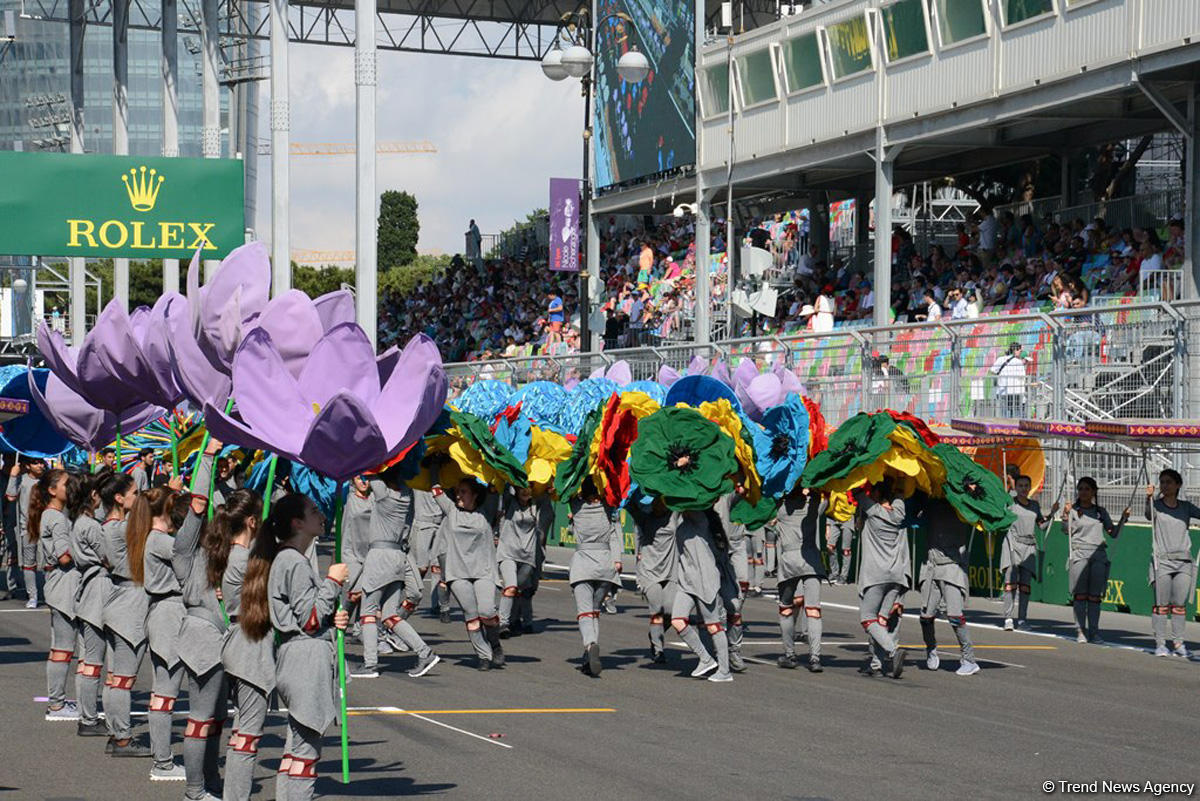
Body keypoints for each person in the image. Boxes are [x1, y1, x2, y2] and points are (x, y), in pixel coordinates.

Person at [240, 494, 348, 801]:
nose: (322, 516)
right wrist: (332, 581)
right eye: (314, 512)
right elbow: (310, 619)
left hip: (296, 654)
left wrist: (333, 618)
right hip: (304, 658)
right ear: (297, 523)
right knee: (305, 753)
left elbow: (313, 616)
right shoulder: (293, 561)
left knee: (295, 749)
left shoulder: (288, 559)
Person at [128, 469, 211, 781]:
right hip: (171, 614)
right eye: (175, 502)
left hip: (164, 614)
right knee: (166, 692)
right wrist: (196, 514)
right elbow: (185, 548)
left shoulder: (152, 536)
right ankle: (162, 762)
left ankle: (162, 759)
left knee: (164, 692)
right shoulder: (160, 540)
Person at [174, 443, 231, 801]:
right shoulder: (186, 550)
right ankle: (195, 790)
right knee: (200, 717)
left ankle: (210, 781)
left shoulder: (220, 554)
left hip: (223, 639)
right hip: (201, 637)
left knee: (216, 718)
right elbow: (200, 502)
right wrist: (207, 457)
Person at [352, 467, 439, 678]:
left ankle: (370, 664)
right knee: (390, 615)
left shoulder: (383, 494)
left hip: (380, 556)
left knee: (368, 613)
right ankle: (424, 652)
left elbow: (368, 470)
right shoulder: (407, 496)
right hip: (398, 557)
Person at [217, 489, 270, 801]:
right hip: (249, 646)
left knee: (243, 730)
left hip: (241, 641)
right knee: (247, 734)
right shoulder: (244, 559)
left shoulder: (235, 555)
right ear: (252, 521)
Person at [98, 472, 152, 757]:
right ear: (118, 499)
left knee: (114, 677)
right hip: (129, 605)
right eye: (134, 493)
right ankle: (122, 737)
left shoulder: (111, 525)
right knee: (123, 679)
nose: (139, 497)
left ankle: (115, 731)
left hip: (118, 603)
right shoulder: (119, 529)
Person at [432, 476, 504, 670]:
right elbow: (436, 488)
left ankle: (495, 643)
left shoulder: (486, 511)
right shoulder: (451, 510)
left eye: (463, 491)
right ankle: (483, 656)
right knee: (471, 615)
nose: (458, 495)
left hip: (483, 571)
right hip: (458, 573)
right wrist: (435, 464)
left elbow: (495, 484)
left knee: (487, 612)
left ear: (475, 494)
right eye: (457, 491)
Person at [31, 468, 79, 720]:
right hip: (63, 585)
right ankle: (58, 705)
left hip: (59, 585)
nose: (69, 488)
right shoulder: (56, 518)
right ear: (52, 491)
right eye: (65, 484)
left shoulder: (55, 515)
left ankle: (58, 701)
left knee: (61, 646)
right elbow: (64, 556)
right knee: (63, 647)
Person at [852, 480, 908, 679]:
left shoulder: (873, 511)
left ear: (876, 493)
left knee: (867, 618)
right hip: (895, 576)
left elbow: (856, 491)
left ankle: (893, 650)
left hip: (876, 575)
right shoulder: (899, 511)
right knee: (881, 621)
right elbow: (901, 491)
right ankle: (876, 664)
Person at [1061, 477, 1129, 644]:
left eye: (1087, 489)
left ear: (1093, 492)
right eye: (1081, 488)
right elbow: (1065, 531)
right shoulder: (1073, 510)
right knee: (1080, 595)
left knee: (1094, 596)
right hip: (1079, 554)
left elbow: (1112, 533)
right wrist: (1065, 515)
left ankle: (1094, 631)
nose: (1083, 492)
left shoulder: (1100, 512)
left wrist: (1123, 519)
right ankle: (1080, 630)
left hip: (1098, 555)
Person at [67, 473, 110, 737]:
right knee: (93, 661)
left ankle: (88, 715)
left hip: (87, 588)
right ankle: (89, 718)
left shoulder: (80, 522)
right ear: (93, 496)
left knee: (87, 661)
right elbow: (109, 558)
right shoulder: (90, 526)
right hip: (96, 588)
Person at [670, 507, 733, 683]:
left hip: (705, 580)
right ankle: (705, 659)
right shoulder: (683, 523)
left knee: (713, 626)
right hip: (686, 582)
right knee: (677, 620)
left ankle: (725, 670)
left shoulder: (701, 520)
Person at [917, 498, 979, 676]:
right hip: (931, 567)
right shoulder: (929, 503)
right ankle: (931, 649)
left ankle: (969, 659)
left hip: (952, 567)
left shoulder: (962, 505)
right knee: (925, 616)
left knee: (955, 615)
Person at [567, 479, 622, 677]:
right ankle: (589, 656)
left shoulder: (576, 506)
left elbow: (565, 486)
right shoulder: (608, 508)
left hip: (583, 564)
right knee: (595, 611)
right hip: (605, 566)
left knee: (584, 613)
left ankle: (591, 646)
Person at [1144, 469, 1200, 658]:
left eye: (1168, 482)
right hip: (1163, 561)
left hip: (1183, 561)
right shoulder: (1156, 505)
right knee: (1161, 604)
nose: (1165, 485)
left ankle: (1178, 642)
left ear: (1177, 485)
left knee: (1179, 605)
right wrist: (1148, 498)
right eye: (1162, 482)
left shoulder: (1186, 507)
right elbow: (1148, 515)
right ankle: (1160, 643)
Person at [772, 487, 826, 672]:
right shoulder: (814, 506)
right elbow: (825, 494)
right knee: (813, 610)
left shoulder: (780, 508)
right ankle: (815, 657)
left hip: (789, 562)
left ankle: (790, 655)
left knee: (786, 608)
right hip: (811, 560)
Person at [496, 486, 554, 637]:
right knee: (511, 587)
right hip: (508, 553)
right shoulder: (510, 502)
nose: (525, 491)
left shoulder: (536, 505)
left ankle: (516, 620)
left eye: (529, 488)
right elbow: (506, 483)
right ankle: (503, 624)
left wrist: (549, 486)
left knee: (520, 589)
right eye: (521, 488)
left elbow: (548, 493)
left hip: (528, 557)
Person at [1002, 475, 1057, 631]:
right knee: (1010, 583)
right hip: (1012, 544)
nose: (1024, 489)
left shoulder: (1034, 505)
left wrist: (1052, 514)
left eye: (1026, 485)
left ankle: (1022, 620)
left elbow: (1041, 525)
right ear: (1016, 487)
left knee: (1025, 585)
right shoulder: (1010, 503)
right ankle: (1008, 618)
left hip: (1029, 547)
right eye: (1020, 485)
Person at [630, 496, 676, 663]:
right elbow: (630, 506)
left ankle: (656, 632)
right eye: (655, 502)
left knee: (671, 612)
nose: (658, 506)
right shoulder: (644, 518)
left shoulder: (674, 516)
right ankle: (658, 649)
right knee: (656, 611)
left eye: (661, 502)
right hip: (649, 573)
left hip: (671, 573)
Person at [8, 457, 46, 607]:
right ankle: (33, 596)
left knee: (49, 563)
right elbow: (11, 496)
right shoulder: (21, 480)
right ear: (27, 466)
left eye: (42, 462)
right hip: (27, 528)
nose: (40, 465)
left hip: (46, 527)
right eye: (36, 462)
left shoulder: (48, 480)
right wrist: (13, 475)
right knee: (29, 564)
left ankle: (50, 594)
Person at [825, 491, 856, 585]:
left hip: (848, 518)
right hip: (834, 518)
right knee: (830, 546)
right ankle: (834, 574)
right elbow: (829, 507)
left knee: (846, 550)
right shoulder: (833, 487)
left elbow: (855, 503)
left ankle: (843, 577)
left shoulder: (850, 487)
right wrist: (827, 527)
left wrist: (857, 518)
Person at [990, 342, 1028, 419]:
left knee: (1004, 414)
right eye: (1020, 351)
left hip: (1002, 391)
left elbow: (993, 370)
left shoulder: (1000, 359)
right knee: (1018, 413)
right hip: (1016, 391)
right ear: (1015, 351)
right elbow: (1022, 376)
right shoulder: (1018, 362)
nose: (1020, 353)